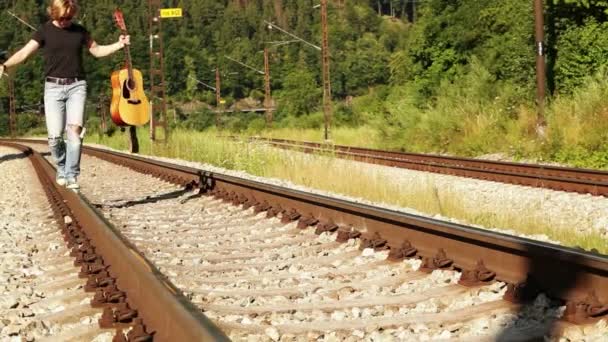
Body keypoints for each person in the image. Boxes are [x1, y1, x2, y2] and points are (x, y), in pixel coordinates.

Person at [0, 0, 129, 190]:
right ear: (54, 13)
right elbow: (24, 53)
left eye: (69, 18)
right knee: (54, 137)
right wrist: (4, 65)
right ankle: (61, 167)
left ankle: (72, 175)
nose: (66, 21)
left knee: (75, 132)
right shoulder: (44, 31)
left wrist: (118, 44)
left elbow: (97, 51)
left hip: (77, 87)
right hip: (53, 88)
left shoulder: (80, 31)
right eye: (62, 18)